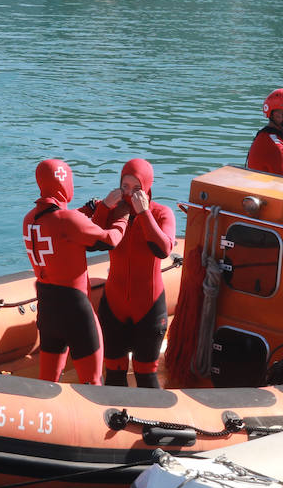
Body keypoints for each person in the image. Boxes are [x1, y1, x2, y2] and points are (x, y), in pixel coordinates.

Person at [23, 159, 128, 385]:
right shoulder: (68, 220)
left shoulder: (30, 219)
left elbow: (62, 223)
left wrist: (94, 208)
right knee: (92, 383)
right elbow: (110, 240)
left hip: (47, 309)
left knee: (47, 382)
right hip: (76, 311)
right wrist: (122, 217)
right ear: (65, 182)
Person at [88, 159, 176, 388]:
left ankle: (153, 422)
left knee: (145, 374)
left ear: (147, 188)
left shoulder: (161, 213)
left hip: (149, 306)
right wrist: (105, 207)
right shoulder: (114, 213)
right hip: (114, 305)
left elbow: (164, 249)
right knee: (114, 374)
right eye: (124, 187)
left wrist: (144, 212)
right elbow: (91, 241)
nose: (129, 194)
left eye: (137, 189)